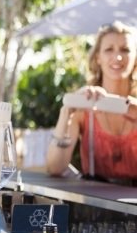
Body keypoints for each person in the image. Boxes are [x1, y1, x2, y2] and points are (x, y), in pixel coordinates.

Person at [46, 21, 137, 185]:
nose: (117, 57)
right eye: (109, 49)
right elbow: (55, 168)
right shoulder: (84, 106)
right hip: (95, 207)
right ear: (98, 58)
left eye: (125, 50)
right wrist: (67, 112)